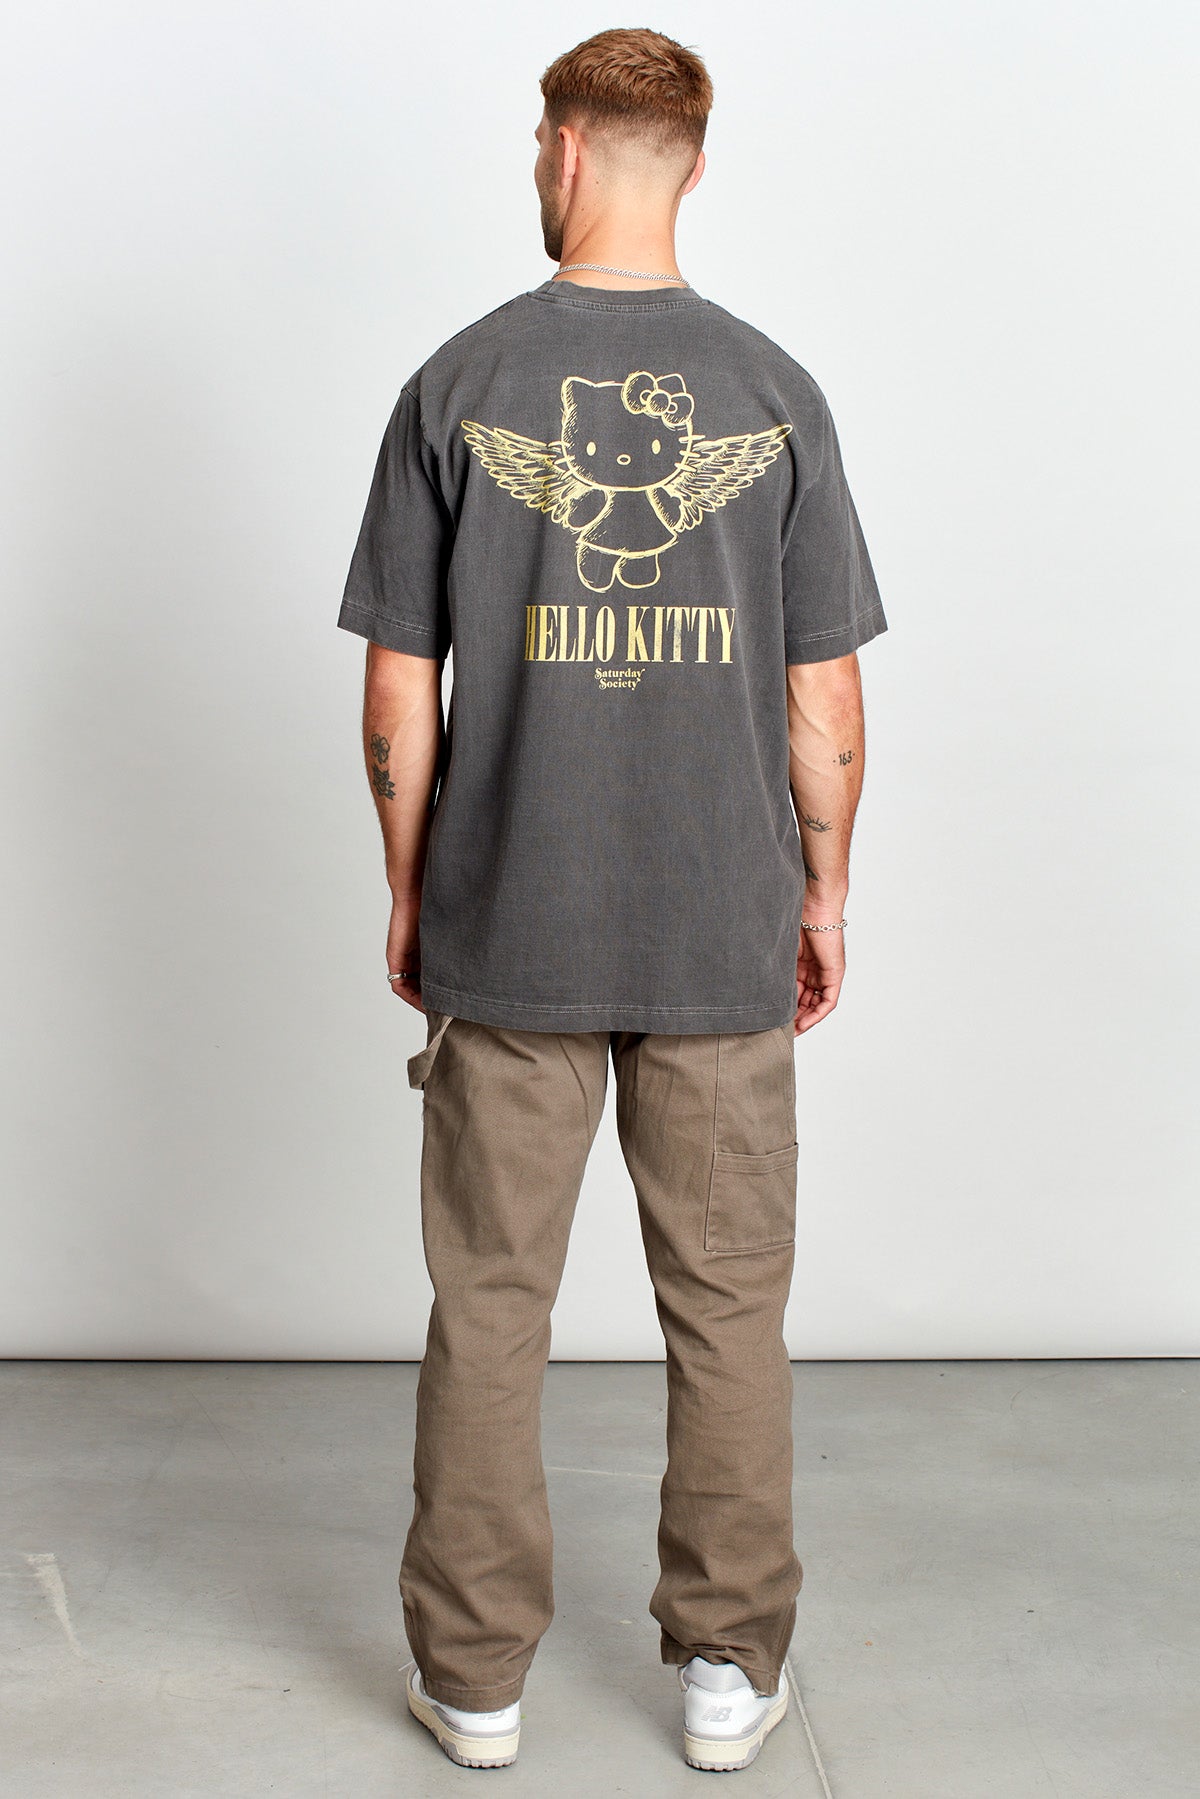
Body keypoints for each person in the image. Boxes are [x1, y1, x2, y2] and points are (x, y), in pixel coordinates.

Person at [337, 26, 888, 1775]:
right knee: (726, 1310)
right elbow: (822, 696)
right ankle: (727, 1671)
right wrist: (823, 894)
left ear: (565, 153)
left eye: (537, 146)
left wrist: (414, 891)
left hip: (511, 927)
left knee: (492, 1305)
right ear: (692, 166)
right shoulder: (777, 393)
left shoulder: (459, 383)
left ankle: (474, 1684)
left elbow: (397, 690)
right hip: (720, 932)